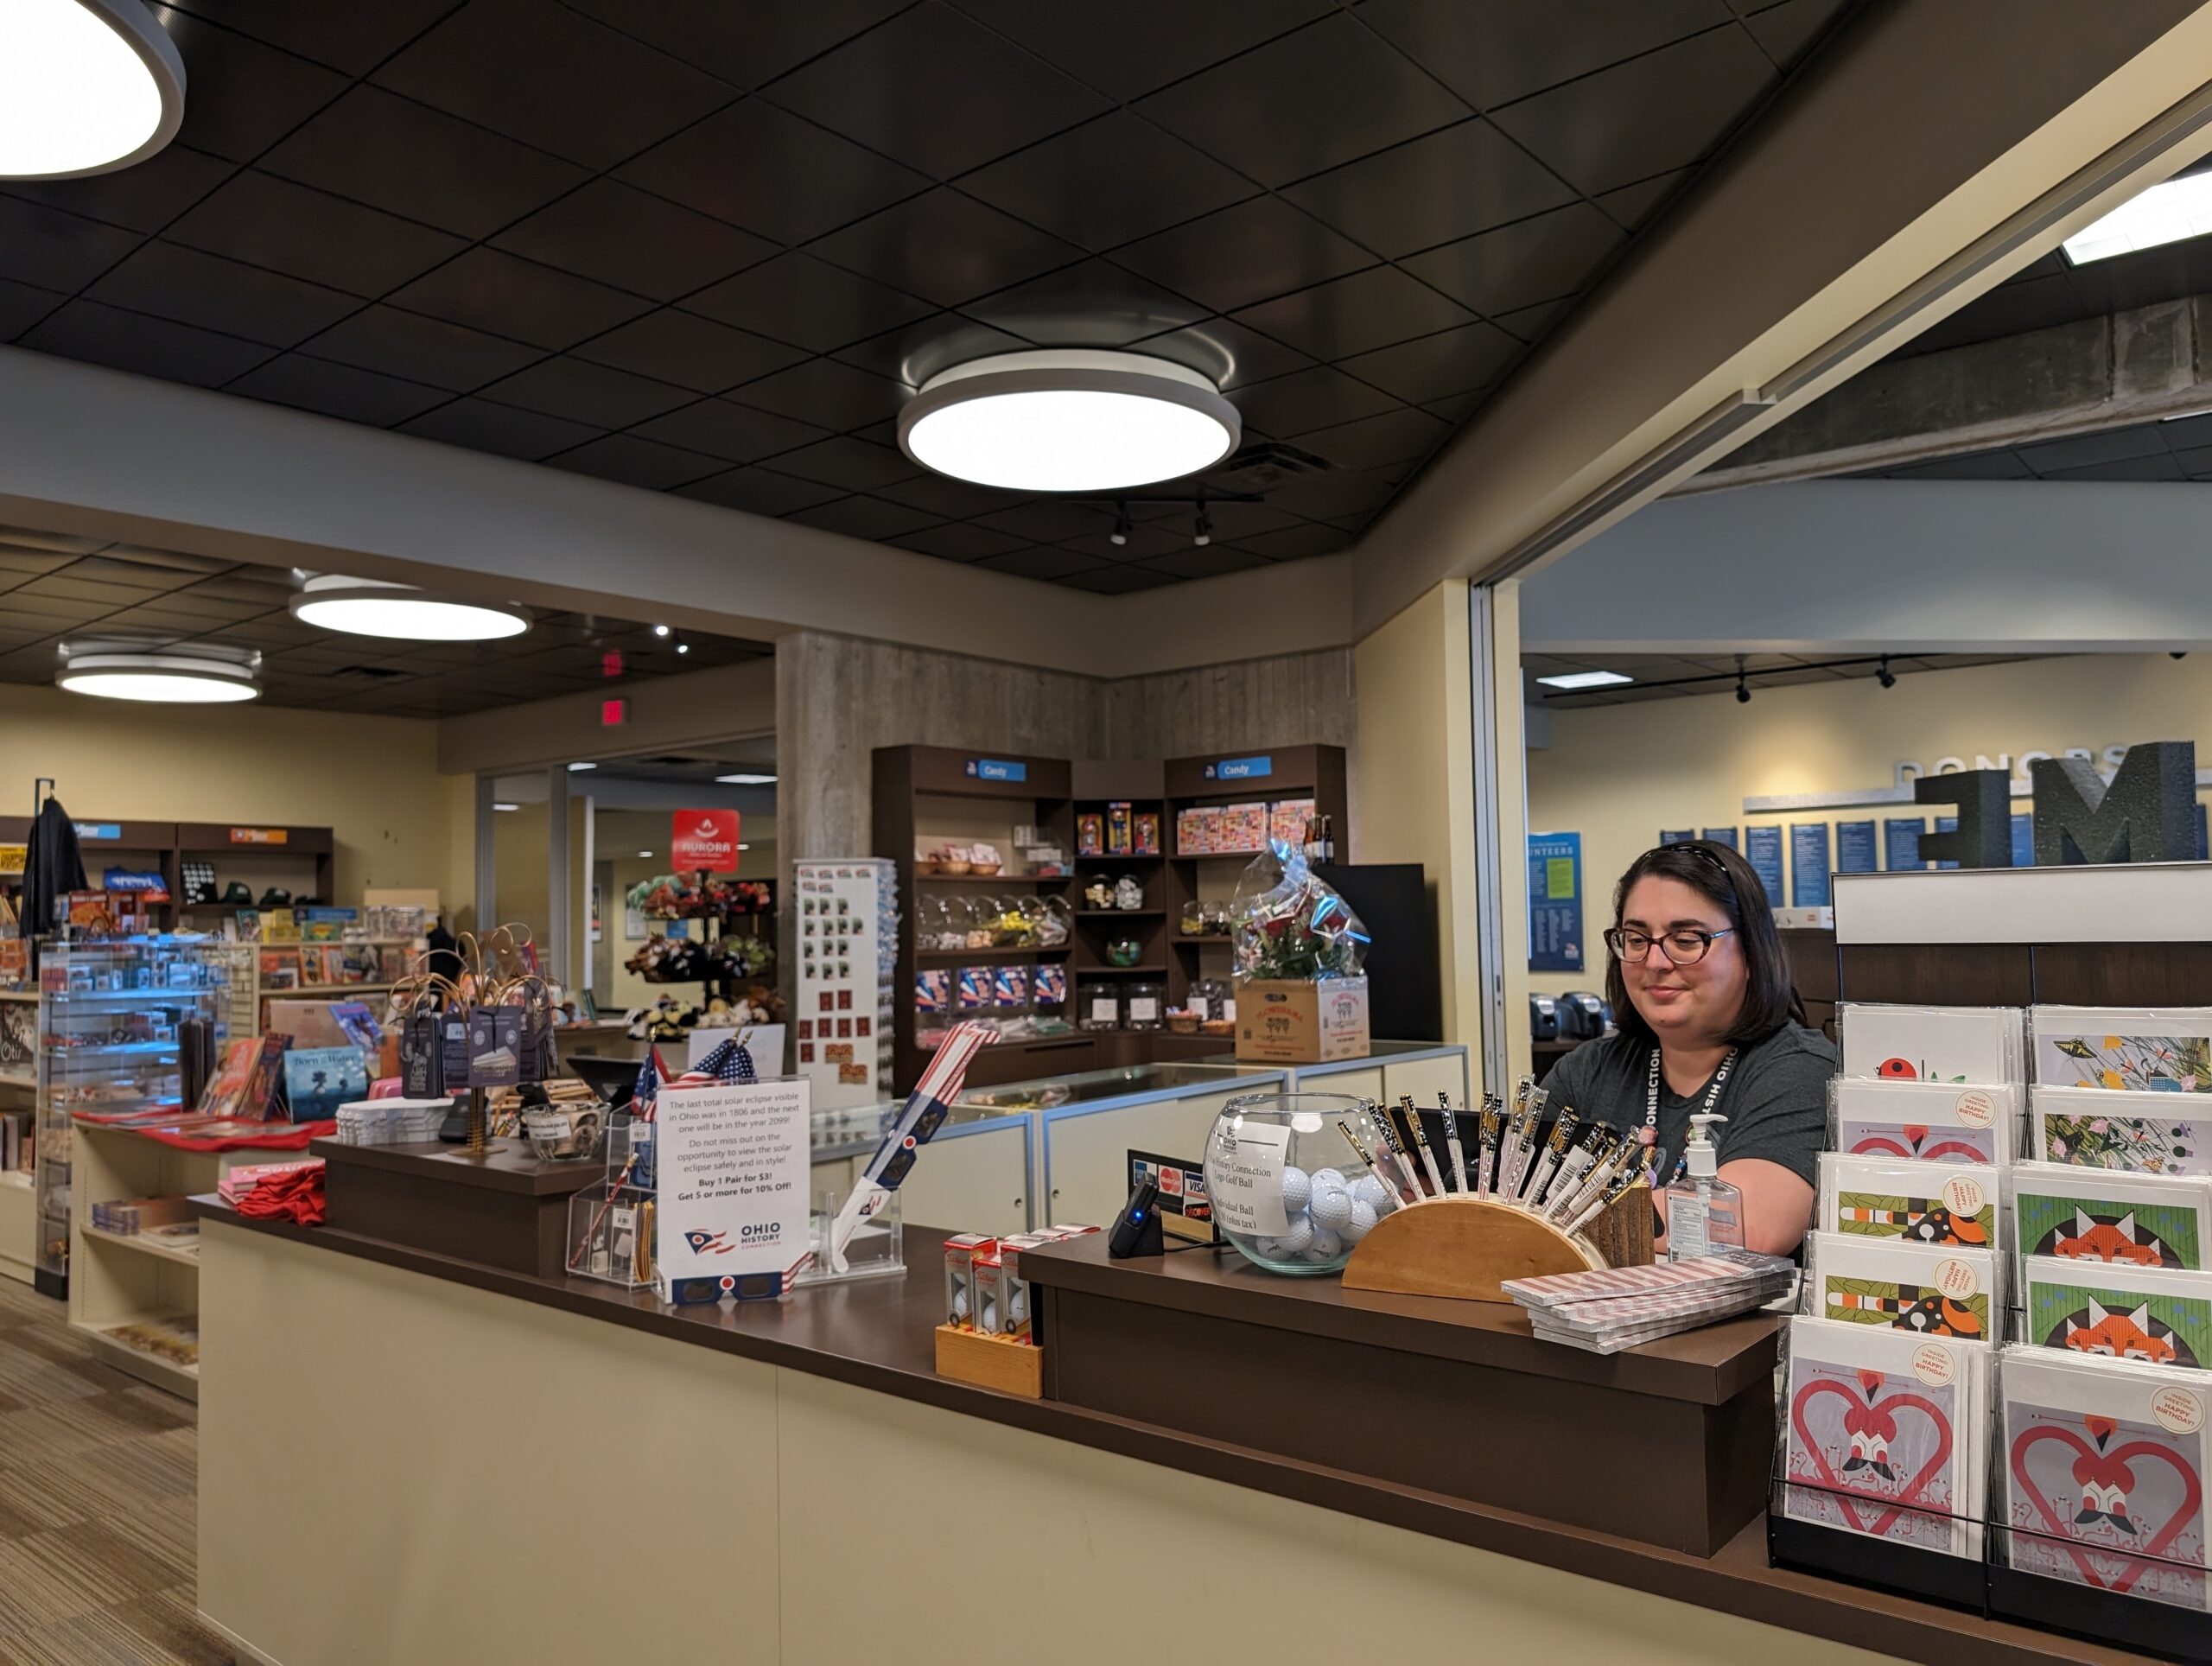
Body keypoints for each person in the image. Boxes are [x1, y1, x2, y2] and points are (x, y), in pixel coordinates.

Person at [1539, 840, 1833, 1256]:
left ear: (1750, 953)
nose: (1656, 962)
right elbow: (1504, 1194)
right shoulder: (1586, 1071)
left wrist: (1554, 1214)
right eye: (1637, 938)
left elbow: (1746, 1226)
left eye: (1687, 939)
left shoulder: (1798, 1068)